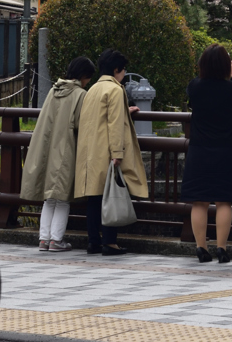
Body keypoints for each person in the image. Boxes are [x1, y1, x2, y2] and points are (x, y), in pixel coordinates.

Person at [74, 49, 148, 256]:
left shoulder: (93, 90)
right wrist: (117, 153)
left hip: (89, 152)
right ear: (117, 70)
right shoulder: (115, 91)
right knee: (110, 196)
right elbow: (115, 124)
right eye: (123, 70)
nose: (124, 74)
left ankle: (93, 241)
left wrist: (125, 110)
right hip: (106, 152)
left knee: (94, 198)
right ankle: (110, 242)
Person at [180, 44, 232, 264]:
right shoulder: (229, 88)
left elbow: (191, 97)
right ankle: (222, 248)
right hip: (225, 150)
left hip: (199, 150)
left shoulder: (195, 86)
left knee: (198, 201)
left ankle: (201, 248)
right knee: (223, 201)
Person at [20, 57, 95, 252]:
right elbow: (82, 124)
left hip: (47, 149)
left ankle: (44, 239)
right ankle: (56, 240)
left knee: (50, 199)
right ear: (84, 76)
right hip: (66, 151)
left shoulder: (54, 90)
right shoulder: (80, 94)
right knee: (62, 198)